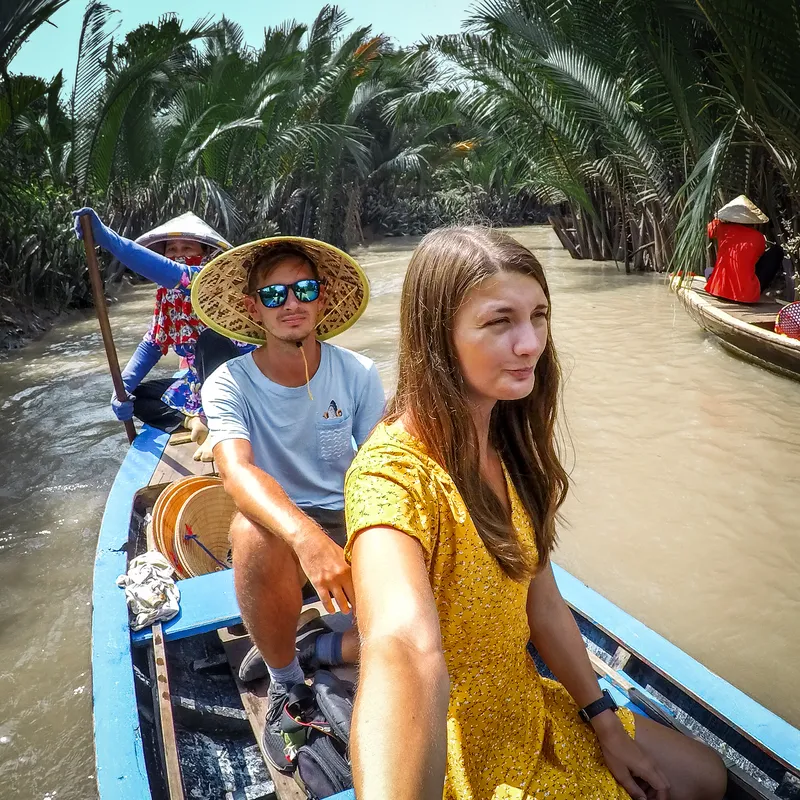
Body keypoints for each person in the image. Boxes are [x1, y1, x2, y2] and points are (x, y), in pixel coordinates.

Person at [344, 227, 727, 800]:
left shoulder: (510, 441)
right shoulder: (390, 476)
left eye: (539, 316)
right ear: (437, 337)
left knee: (706, 777)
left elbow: (542, 601)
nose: (530, 343)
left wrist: (603, 721)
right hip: (456, 740)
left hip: (524, 699)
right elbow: (402, 647)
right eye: (500, 322)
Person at [192, 235, 384, 772]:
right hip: (275, 530)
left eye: (303, 289)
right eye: (274, 295)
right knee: (252, 530)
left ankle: (313, 648)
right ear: (253, 308)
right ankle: (285, 679)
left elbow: (377, 467)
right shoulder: (230, 381)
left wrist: (371, 540)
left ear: (321, 300)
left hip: (346, 516)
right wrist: (305, 537)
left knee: (429, 626)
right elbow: (235, 470)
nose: (291, 303)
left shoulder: (359, 373)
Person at [72, 208, 252, 458]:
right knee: (138, 397)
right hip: (198, 384)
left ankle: (222, 428)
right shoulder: (167, 294)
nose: (179, 255)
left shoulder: (211, 281)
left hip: (240, 382)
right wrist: (121, 390)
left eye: (187, 248)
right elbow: (154, 344)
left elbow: (172, 273)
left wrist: (108, 238)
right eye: (172, 250)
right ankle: (193, 421)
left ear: (205, 253)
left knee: (211, 341)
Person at [705, 195, 784, 303]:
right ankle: (758, 290)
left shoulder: (722, 228)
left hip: (718, 290)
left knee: (708, 270)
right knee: (777, 252)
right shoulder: (758, 237)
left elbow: (709, 230)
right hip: (746, 296)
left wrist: (721, 218)